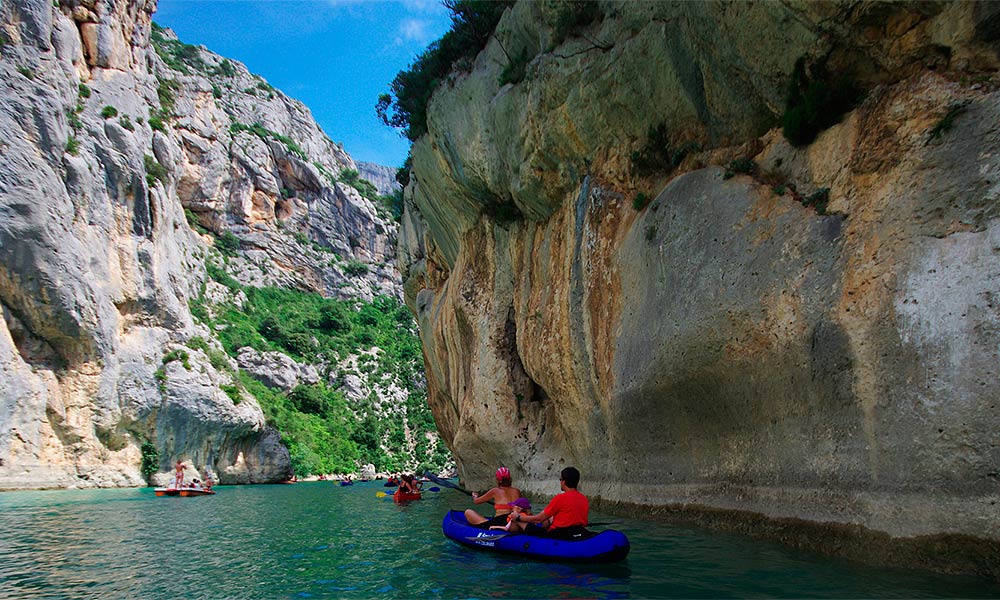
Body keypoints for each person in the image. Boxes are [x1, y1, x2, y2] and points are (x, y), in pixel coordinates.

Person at [506, 466, 589, 539]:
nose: (560, 482)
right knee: (549, 519)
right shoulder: (584, 499)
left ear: (563, 481)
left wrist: (518, 517)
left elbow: (539, 519)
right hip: (577, 532)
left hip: (558, 534)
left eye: (560, 479)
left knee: (521, 522)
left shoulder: (560, 498)